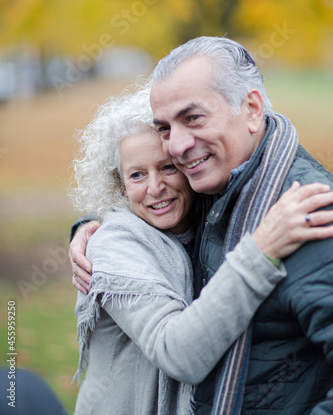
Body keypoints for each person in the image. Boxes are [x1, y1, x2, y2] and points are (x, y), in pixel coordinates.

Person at [70, 37, 333, 414]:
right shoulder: (220, 192)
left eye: (192, 118)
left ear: (252, 109)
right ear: (120, 184)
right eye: (165, 128)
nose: (177, 146)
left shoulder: (298, 213)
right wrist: (88, 230)